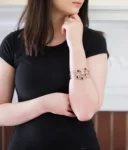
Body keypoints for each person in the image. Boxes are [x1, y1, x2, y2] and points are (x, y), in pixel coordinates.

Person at [0, 0, 109, 149]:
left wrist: (76, 44)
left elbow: (85, 111)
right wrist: (44, 104)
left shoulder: (93, 42)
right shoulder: (13, 43)